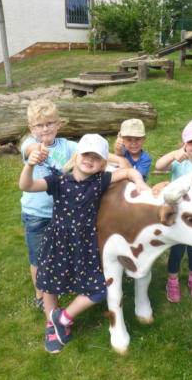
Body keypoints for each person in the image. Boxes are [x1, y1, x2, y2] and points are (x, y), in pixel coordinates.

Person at [19, 133, 148, 354]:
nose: (89, 160)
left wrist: (138, 182)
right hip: (58, 241)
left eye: (96, 158)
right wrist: (29, 166)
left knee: (97, 290)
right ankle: (52, 325)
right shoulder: (58, 180)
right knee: (51, 283)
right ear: (76, 155)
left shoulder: (101, 180)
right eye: (85, 154)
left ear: (102, 164)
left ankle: (63, 318)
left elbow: (127, 171)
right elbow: (27, 185)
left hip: (85, 244)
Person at [20, 99, 77, 312]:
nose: (45, 129)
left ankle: (57, 285)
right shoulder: (29, 145)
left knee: (59, 253)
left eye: (50, 123)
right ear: (31, 128)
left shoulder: (68, 146)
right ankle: (40, 294)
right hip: (36, 215)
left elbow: (89, 150)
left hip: (62, 213)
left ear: (58, 124)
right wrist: (37, 153)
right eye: (39, 125)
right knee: (38, 257)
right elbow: (29, 149)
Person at [155, 119, 192, 302]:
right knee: (177, 250)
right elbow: (158, 166)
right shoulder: (180, 162)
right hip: (179, 215)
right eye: (191, 142)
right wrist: (174, 154)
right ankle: (172, 281)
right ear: (184, 145)